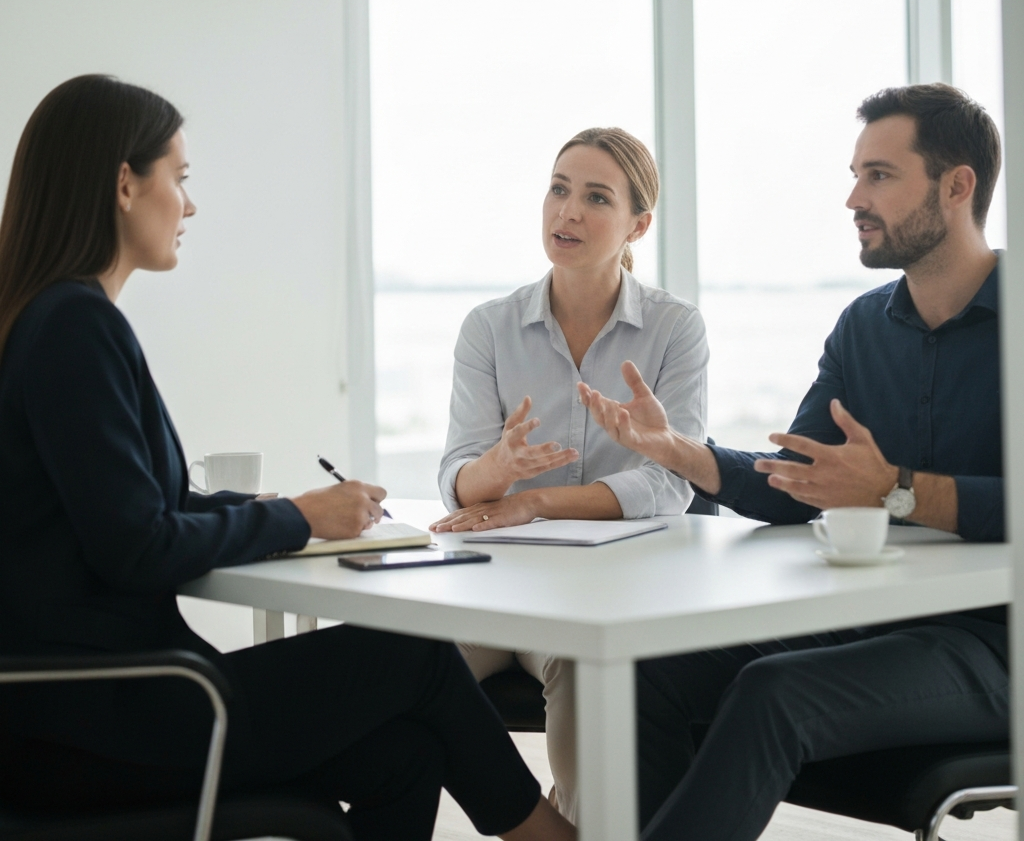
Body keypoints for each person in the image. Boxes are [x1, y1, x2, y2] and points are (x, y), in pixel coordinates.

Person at [0, 75, 574, 841]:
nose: (191, 205)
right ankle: (550, 837)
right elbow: (136, 546)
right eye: (181, 178)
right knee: (415, 658)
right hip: (111, 718)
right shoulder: (75, 324)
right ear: (125, 185)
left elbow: (145, 512)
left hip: (75, 714)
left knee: (403, 755)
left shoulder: (41, 319)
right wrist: (295, 517)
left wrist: (297, 515)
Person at [578, 84, 1005, 841]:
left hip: (999, 643)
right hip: (874, 619)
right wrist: (680, 452)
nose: (852, 198)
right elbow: (797, 487)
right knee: (651, 670)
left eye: (879, 175)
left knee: (773, 692)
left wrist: (895, 492)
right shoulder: (864, 326)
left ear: (957, 185)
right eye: (854, 174)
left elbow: (889, 492)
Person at [430, 127, 709, 822]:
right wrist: (492, 470)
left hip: (607, 595)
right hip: (497, 582)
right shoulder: (489, 328)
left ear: (637, 224)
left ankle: (587, 824)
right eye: (558, 189)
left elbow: (671, 483)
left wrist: (537, 502)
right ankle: (540, 826)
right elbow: (457, 479)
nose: (568, 213)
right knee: (406, 672)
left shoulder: (675, 330)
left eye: (594, 197)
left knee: (585, 666)